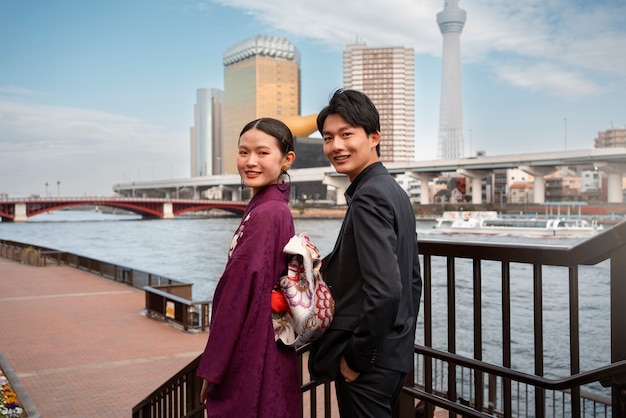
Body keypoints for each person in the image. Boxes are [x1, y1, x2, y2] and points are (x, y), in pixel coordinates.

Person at [308, 89, 422, 417]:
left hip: (370, 365)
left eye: (347, 134)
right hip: (393, 356)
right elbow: (413, 282)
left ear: (374, 137)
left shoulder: (369, 196)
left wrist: (358, 358)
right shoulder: (392, 190)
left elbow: (386, 290)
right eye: (328, 138)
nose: (336, 146)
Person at [197, 117, 302, 417]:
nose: (250, 161)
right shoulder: (273, 207)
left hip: (252, 346)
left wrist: (213, 367)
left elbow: (238, 291)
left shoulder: (268, 212)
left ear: (287, 160)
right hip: (268, 340)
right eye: (244, 152)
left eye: (262, 152)